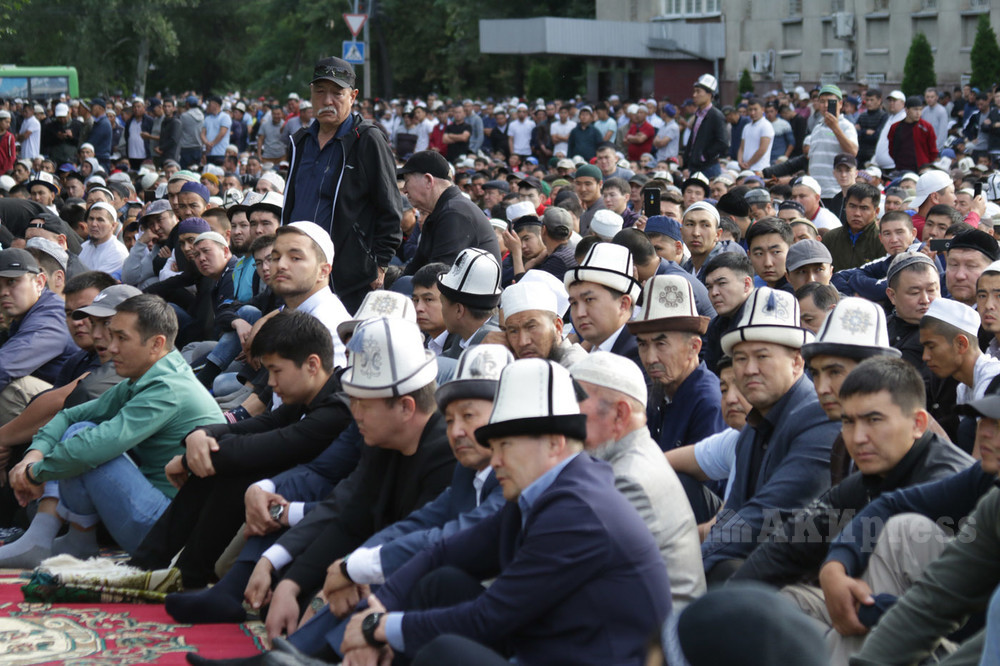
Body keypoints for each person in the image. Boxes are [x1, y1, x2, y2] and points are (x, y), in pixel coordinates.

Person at [335, 358, 672, 666]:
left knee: (442, 653)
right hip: (548, 646)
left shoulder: (577, 513)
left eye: (506, 445)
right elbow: (443, 552)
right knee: (441, 584)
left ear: (554, 443)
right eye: (494, 447)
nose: (495, 460)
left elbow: (487, 617)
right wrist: (378, 610)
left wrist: (377, 627)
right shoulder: (543, 492)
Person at [127, 310, 354, 588]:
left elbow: (278, 444)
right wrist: (203, 433)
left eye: (276, 371)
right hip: (283, 497)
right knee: (225, 463)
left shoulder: (340, 406)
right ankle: (148, 565)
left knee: (236, 470)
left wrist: (190, 459)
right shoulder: (311, 392)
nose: (270, 383)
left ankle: (185, 577)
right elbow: (266, 423)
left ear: (312, 364)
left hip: (324, 513)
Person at [6, 294, 224, 564]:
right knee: (81, 428)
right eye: (112, 336)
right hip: (163, 518)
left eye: (122, 338)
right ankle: (74, 542)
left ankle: (43, 541)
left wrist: (34, 473)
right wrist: (33, 455)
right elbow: (69, 415)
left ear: (156, 344)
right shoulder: (149, 375)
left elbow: (92, 449)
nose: (111, 347)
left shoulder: (168, 388)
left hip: (175, 536)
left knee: (83, 441)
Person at [704, 287, 840, 582]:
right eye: (740, 359)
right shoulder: (753, 427)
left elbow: (765, 514)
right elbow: (733, 514)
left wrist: (697, 561)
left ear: (797, 362)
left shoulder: (819, 417)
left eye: (762, 356)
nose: (749, 369)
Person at [571, 351, 706, 609]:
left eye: (575, 403)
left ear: (620, 414)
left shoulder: (628, 481)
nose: (566, 418)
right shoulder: (632, 459)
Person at [281, 57, 403, 313]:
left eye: (337, 93)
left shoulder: (367, 140)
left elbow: (391, 208)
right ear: (311, 94)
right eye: (320, 91)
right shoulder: (300, 142)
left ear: (352, 96)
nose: (327, 100)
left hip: (349, 277)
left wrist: (379, 264)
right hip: (300, 270)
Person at [628, 275, 724, 453]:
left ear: (694, 347)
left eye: (661, 344)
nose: (650, 358)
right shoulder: (659, 392)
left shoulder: (709, 404)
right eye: (642, 345)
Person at [0, 248, 78, 426]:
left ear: (40, 282)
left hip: (79, 415)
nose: (3, 292)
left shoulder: (51, 316)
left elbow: (4, 367)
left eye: (12, 281)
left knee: (13, 388)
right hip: (59, 403)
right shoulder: (28, 312)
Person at [400, 151, 499, 278]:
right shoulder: (441, 211)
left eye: (407, 181)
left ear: (428, 180)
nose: (404, 190)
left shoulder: (454, 213)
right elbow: (415, 268)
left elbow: (439, 276)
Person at [565, 242, 643, 370]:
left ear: (623, 304)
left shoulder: (639, 355)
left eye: (589, 300)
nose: (579, 313)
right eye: (574, 303)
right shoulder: (598, 349)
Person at [499, 280, 586, 368]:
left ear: (557, 327)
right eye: (513, 331)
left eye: (531, 327)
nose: (523, 342)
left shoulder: (577, 368)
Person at [437, 247, 502, 358]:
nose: (441, 310)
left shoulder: (491, 350)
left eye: (442, 303)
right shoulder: (466, 335)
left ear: (459, 310)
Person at [703, 252, 756, 374]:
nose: (714, 293)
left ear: (746, 284)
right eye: (709, 287)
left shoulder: (761, 320)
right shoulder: (716, 325)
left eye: (722, 284)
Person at [822, 182, 885, 270]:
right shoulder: (830, 238)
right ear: (845, 206)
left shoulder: (883, 240)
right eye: (852, 206)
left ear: (876, 211)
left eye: (864, 208)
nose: (857, 213)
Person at [684, 74, 728, 178]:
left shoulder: (716, 115)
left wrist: (704, 156)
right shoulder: (698, 114)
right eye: (694, 91)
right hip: (695, 166)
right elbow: (693, 139)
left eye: (698, 91)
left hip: (709, 168)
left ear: (709, 94)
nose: (694, 95)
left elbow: (723, 142)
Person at [887, 95, 938, 173]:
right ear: (906, 110)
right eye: (915, 109)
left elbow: (933, 150)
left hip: (922, 169)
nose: (918, 113)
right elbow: (891, 149)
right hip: (901, 168)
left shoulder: (927, 127)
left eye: (920, 109)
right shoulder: (895, 127)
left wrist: (926, 164)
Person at [78, 202, 128, 277]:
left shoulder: (118, 252)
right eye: (91, 219)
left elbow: (94, 280)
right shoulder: (84, 246)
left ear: (113, 226)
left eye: (100, 220)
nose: (93, 224)